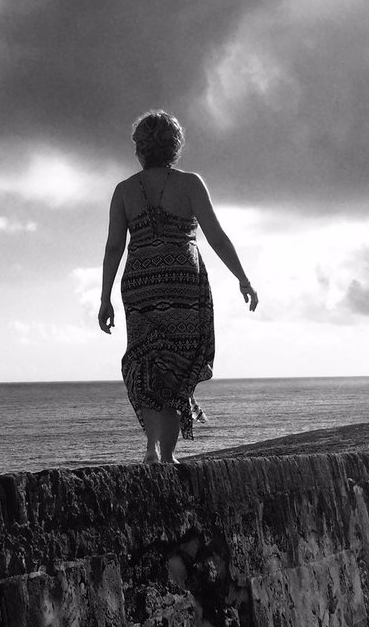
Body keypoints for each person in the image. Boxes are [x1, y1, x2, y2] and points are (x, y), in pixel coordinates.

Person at [97, 110, 258, 463]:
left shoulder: (124, 191)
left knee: (147, 360)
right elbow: (216, 236)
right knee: (176, 364)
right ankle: (165, 454)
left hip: (140, 284)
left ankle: (153, 447)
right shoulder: (190, 184)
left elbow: (114, 247)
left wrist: (105, 297)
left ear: (139, 149)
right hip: (182, 281)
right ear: (175, 147)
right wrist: (242, 278)